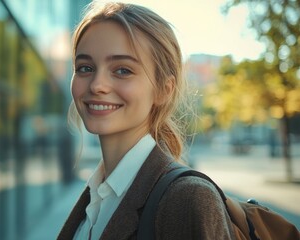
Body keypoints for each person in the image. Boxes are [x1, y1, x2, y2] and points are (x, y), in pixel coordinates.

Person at [58, 2, 235, 239]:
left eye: (122, 70)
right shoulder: (97, 194)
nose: (97, 85)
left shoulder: (187, 198)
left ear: (164, 89)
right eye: (85, 67)